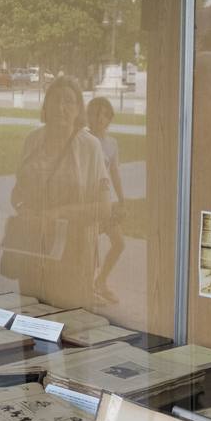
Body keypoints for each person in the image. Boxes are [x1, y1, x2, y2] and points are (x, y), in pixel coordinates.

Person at [7, 76, 114, 309]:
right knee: (31, 321)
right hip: (33, 248)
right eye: (55, 100)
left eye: (69, 101)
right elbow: (18, 192)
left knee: (70, 327)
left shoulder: (89, 146)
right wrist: (24, 208)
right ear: (45, 107)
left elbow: (104, 208)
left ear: (78, 109)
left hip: (73, 254)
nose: (61, 107)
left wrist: (56, 215)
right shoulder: (33, 140)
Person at [85, 97, 127, 302]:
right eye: (94, 113)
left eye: (104, 114)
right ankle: (86, 288)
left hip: (106, 202)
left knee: (119, 243)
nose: (99, 118)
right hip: (87, 202)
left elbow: (115, 172)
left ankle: (100, 281)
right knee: (89, 245)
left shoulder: (111, 143)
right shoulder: (83, 139)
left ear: (109, 117)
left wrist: (121, 199)